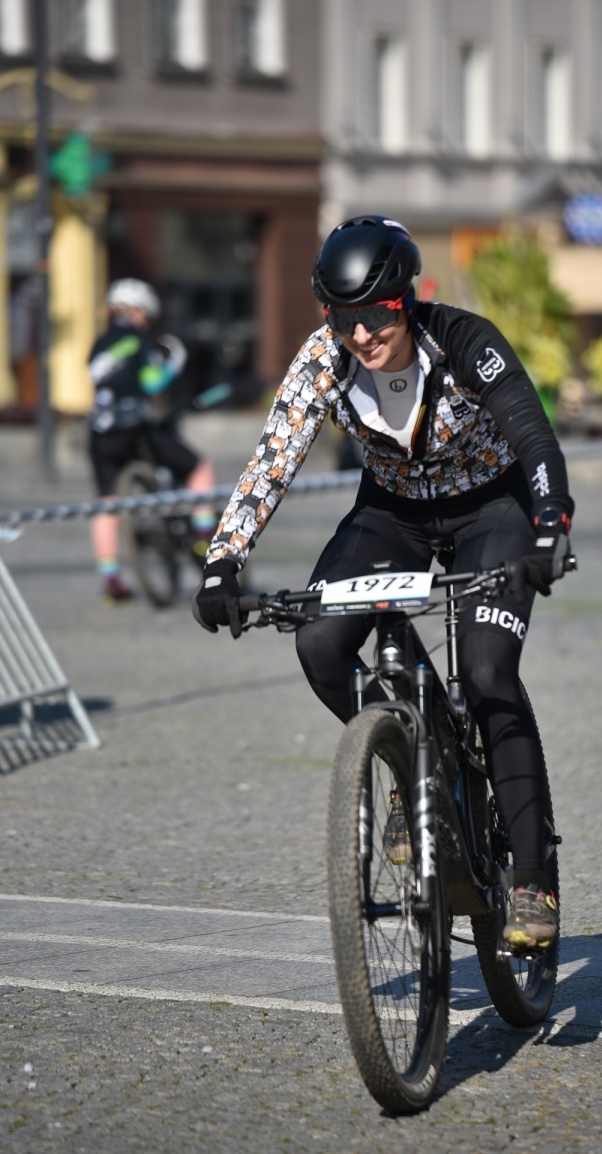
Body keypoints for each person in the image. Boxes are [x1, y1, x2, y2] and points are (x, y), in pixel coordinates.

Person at [192, 215, 574, 950]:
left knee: (490, 673)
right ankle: (408, 757)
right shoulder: (323, 361)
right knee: (320, 645)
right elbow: (272, 461)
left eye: (378, 315)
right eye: (343, 319)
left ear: (407, 298)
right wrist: (222, 561)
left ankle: (532, 881)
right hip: (391, 511)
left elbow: (533, 437)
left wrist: (551, 522)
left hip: (492, 507)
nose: (362, 335)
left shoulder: (463, 341)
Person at [87, 278, 217, 603]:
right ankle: (204, 537)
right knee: (199, 468)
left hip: (99, 432)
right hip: (134, 429)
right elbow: (152, 383)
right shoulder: (138, 339)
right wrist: (174, 365)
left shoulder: (99, 344)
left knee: (106, 503)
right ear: (138, 312)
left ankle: (111, 580)